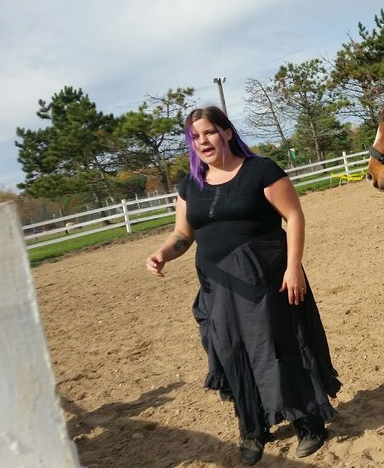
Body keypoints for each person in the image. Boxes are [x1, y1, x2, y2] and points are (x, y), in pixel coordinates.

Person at [146, 106, 340, 465]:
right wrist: (162, 253)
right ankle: (252, 427)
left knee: (279, 347)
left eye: (208, 133)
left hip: (267, 280)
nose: (202, 141)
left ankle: (308, 422)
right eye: (195, 136)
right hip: (218, 287)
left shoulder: (260, 170)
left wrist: (293, 267)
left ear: (227, 133)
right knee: (232, 352)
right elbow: (183, 235)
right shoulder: (192, 184)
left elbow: (294, 216)